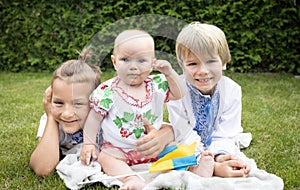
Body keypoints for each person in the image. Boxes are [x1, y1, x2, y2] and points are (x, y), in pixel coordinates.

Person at [80, 29, 215, 190]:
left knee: (175, 147)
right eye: (125, 59)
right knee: (106, 158)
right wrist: (88, 144)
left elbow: (179, 93)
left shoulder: (157, 85)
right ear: (115, 62)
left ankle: (193, 168)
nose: (133, 67)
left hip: (155, 146)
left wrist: (169, 73)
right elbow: (93, 119)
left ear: (152, 63)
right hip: (119, 149)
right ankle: (131, 178)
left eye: (141, 61)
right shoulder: (107, 91)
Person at [165, 21, 251, 177]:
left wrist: (220, 155)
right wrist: (205, 158)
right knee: (168, 145)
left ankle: (218, 160)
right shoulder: (175, 90)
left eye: (211, 61)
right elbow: (182, 132)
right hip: (185, 141)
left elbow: (227, 132)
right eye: (192, 64)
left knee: (228, 152)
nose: (203, 71)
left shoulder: (232, 90)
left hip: (218, 141)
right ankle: (207, 166)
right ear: (182, 66)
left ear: (224, 62)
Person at [29, 47, 102, 177]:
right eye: (59, 103)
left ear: (94, 103)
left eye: (78, 104)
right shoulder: (50, 120)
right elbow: (42, 169)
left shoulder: (103, 120)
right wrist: (51, 116)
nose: (67, 114)